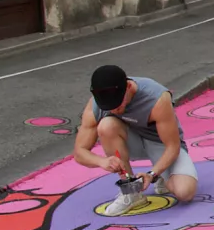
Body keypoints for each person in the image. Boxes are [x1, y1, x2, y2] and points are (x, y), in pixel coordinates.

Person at [73, 66, 199, 217]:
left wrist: (152, 174)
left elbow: (173, 146)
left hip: (160, 144)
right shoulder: (96, 104)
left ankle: (161, 177)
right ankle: (131, 191)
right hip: (128, 144)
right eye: (109, 107)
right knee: (107, 125)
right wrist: (102, 161)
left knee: (185, 193)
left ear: (129, 87)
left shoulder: (156, 97)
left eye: (118, 104)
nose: (114, 110)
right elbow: (79, 152)